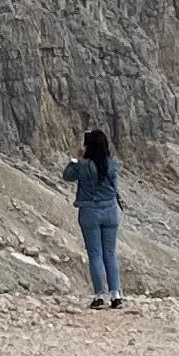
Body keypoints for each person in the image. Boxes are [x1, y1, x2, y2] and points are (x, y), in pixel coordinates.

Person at [61, 127, 123, 307]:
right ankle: (116, 295)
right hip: (110, 211)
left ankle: (99, 296)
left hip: (89, 212)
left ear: (88, 146)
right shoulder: (113, 163)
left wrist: (77, 158)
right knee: (110, 254)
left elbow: (67, 176)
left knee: (95, 254)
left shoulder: (83, 166)